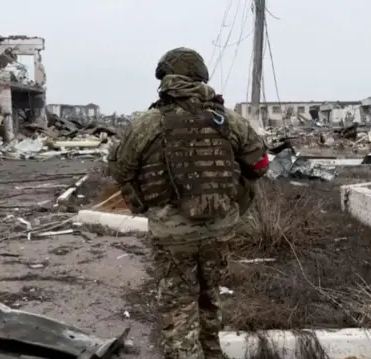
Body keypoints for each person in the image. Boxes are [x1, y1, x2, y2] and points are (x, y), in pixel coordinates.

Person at [108, 47, 268, 359]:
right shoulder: (228, 119)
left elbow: (119, 169)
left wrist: (144, 198)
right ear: (201, 77)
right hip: (219, 229)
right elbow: (260, 165)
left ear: (165, 79)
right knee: (210, 296)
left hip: (172, 234)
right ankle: (211, 352)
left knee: (179, 305)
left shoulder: (148, 122)